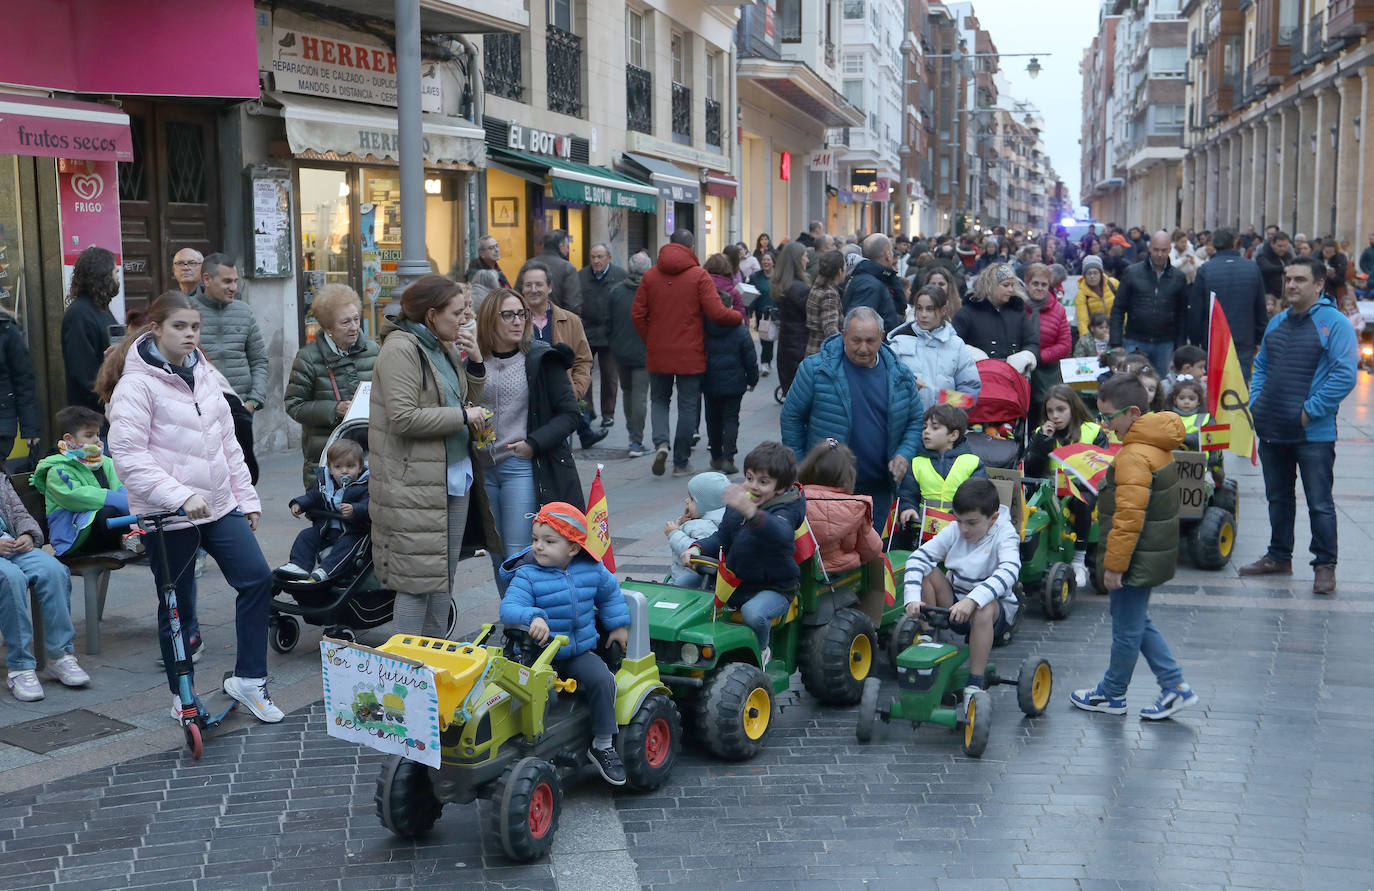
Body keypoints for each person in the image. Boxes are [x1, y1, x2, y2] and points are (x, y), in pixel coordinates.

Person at [100, 290, 281, 722]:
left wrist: (246, 496)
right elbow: (128, 457)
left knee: (257, 580)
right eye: (180, 326)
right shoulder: (136, 384)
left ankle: (250, 680)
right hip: (169, 515)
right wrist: (180, 496)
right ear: (156, 329)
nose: (189, 334)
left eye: (194, 327)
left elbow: (227, 443)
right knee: (178, 606)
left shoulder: (203, 372)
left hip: (219, 505)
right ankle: (183, 696)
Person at [1070, 374, 1198, 720]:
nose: (1104, 424)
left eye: (1109, 417)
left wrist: (1114, 566)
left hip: (1132, 558)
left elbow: (1129, 518)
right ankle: (1174, 686)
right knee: (1137, 621)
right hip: (1148, 555)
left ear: (1133, 412)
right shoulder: (1156, 444)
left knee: (1127, 628)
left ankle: (1113, 693)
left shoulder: (1133, 456)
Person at [369, 275, 487, 636]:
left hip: (452, 475)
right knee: (417, 582)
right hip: (415, 484)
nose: (463, 319)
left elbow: (463, 398)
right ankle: (405, 668)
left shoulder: (442, 345)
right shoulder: (401, 349)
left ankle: (435, 660)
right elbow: (403, 418)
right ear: (432, 314)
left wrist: (477, 361)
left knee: (442, 575)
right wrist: (464, 417)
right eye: (456, 312)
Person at [1239, 256, 1358, 595]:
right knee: (1278, 498)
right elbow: (1261, 365)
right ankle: (1279, 556)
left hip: (1313, 433)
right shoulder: (1277, 322)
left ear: (1319, 284)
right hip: (1273, 427)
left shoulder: (1335, 324)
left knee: (1319, 501)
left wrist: (1309, 411)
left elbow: (1344, 375)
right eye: (1288, 279)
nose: (1291, 285)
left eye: (1300, 280)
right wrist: (1257, 401)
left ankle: (1324, 565)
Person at [498, 502, 631, 786]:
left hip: (578, 651)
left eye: (549, 541)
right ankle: (532, 745)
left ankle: (603, 744)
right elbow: (510, 606)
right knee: (537, 696)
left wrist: (618, 625)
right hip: (538, 656)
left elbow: (610, 594)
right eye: (535, 540)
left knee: (602, 680)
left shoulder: (591, 569)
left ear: (572, 548)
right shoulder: (527, 574)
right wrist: (532, 616)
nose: (538, 547)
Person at [474, 288, 584, 587]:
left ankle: (526, 622)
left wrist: (532, 444)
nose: (517, 321)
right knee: (496, 554)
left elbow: (571, 414)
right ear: (488, 320)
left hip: (519, 466)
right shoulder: (474, 360)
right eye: (508, 315)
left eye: (521, 314)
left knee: (517, 552)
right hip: (482, 469)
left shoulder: (540, 358)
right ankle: (513, 620)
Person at [782, 307, 923, 531]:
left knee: (872, 554)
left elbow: (915, 420)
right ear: (843, 335)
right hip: (826, 487)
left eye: (871, 340)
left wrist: (904, 454)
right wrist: (799, 468)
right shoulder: (816, 370)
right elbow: (791, 418)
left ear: (882, 337)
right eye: (856, 340)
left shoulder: (901, 374)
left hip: (879, 489)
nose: (863, 348)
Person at [679, 442, 807, 664]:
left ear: (780, 488)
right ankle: (686, 647)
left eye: (763, 482)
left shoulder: (786, 509)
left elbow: (780, 533)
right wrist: (696, 548)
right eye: (749, 478)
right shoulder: (740, 504)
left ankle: (759, 652)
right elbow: (722, 537)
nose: (753, 486)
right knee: (682, 584)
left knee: (753, 613)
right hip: (733, 580)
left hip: (773, 586)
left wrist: (753, 514)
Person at [632, 230, 743, 478]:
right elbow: (716, 312)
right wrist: (738, 316)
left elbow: (637, 314)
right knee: (688, 405)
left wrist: (651, 339)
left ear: (669, 245)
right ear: (691, 247)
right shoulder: (698, 276)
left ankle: (661, 443)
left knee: (659, 400)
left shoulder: (650, 276)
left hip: (658, 351)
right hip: (690, 352)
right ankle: (680, 462)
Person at [902, 478, 1019, 692]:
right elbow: (917, 559)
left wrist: (973, 600)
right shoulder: (956, 529)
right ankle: (928, 636)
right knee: (927, 570)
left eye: (971, 523)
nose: (963, 529)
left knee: (983, 609)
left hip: (994, 612)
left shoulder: (1005, 533)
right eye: (959, 520)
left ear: (992, 519)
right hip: (955, 605)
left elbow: (1010, 571)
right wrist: (912, 598)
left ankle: (975, 680)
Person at [0, 467, 90, 702]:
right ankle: (20, 667)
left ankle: (61, 656)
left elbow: (19, 513)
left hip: (11, 545)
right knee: (11, 579)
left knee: (54, 570)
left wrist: (28, 534)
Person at [284, 283, 379, 488]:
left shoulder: (374, 351)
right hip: (328, 456)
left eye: (356, 319)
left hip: (370, 454)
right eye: (345, 322)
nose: (354, 327)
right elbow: (293, 405)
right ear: (328, 328)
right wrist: (334, 409)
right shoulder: (308, 358)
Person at [1024, 385, 1111, 585]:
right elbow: (1031, 469)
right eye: (1050, 411)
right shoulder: (1041, 432)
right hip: (1049, 488)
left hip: (1083, 487)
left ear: (1072, 407)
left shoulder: (1092, 431)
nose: (1055, 416)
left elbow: (1101, 469)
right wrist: (1043, 441)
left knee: (1082, 504)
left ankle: (1079, 560)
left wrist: (1074, 484)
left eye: (1061, 410)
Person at [521, 260, 604, 451]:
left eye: (539, 284)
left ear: (549, 287)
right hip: (525, 408)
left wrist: (574, 392)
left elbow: (584, 360)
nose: (533, 289)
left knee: (560, 460)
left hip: (559, 408)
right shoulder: (514, 321)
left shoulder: (571, 321)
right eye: (528, 285)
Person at [32, 406, 130, 557]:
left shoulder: (105, 462)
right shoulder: (57, 470)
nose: (97, 440)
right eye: (89, 435)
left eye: (97, 434)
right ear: (68, 439)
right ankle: (131, 539)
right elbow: (76, 497)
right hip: (73, 537)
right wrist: (120, 500)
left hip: (100, 530)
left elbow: (120, 486)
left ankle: (134, 538)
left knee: (139, 511)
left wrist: (130, 502)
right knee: (108, 513)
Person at [277, 438, 369, 581]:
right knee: (306, 536)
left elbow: (369, 505)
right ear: (330, 469)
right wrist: (299, 504)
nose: (344, 471)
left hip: (352, 531)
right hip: (325, 528)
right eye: (338, 467)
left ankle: (325, 571)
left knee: (345, 547)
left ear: (360, 466)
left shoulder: (364, 485)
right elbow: (313, 496)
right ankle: (299, 565)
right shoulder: (325, 484)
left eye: (350, 466)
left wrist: (355, 509)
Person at [1187, 227, 1266, 381]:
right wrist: (1258, 338)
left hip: (1213, 339)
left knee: (1215, 385)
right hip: (1243, 338)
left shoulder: (1206, 270)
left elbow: (1197, 310)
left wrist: (1195, 340)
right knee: (1239, 386)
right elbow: (1259, 308)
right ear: (1237, 243)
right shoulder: (1252, 268)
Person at [895, 402, 988, 530]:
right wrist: (908, 508)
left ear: (953, 435)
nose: (926, 432)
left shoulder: (973, 463)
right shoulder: (916, 463)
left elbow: (977, 498)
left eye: (934, 427)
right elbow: (908, 494)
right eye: (924, 427)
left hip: (961, 530)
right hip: (922, 530)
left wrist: (955, 518)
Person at [1108, 230, 1189, 377]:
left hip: (1165, 343)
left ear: (1170, 250)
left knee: (1160, 385)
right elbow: (1118, 309)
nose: (1159, 254)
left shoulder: (1178, 278)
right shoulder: (1132, 273)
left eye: (1164, 250)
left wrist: (1180, 347)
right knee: (1131, 383)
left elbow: (1182, 315)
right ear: (1149, 248)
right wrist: (1116, 342)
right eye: (1156, 250)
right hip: (1135, 340)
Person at [798, 439, 884, 574]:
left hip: (800, 572)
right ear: (848, 475)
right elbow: (872, 549)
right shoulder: (856, 507)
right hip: (840, 572)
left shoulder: (794, 501)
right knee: (880, 561)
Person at [887, 284, 981, 403]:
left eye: (930, 309)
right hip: (908, 418)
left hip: (944, 420)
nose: (923, 315)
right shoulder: (900, 341)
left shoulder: (956, 345)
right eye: (919, 308)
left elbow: (970, 388)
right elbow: (886, 380)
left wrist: (947, 411)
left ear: (943, 310)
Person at [702, 287, 759, 476]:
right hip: (734, 383)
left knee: (713, 419)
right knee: (731, 419)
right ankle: (729, 457)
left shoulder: (704, 326)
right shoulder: (739, 328)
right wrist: (753, 379)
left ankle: (716, 455)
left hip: (710, 381)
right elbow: (749, 356)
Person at [61, 245, 121, 415]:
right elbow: (84, 374)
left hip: (106, 412)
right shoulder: (79, 314)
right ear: (103, 275)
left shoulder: (100, 308)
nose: (118, 278)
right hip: (92, 419)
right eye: (115, 272)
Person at [953, 264, 1040, 373]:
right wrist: (971, 353)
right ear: (991, 286)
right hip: (976, 380)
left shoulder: (1018, 312)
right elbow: (953, 343)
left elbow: (1032, 342)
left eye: (1012, 285)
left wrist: (1026, 355)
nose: (1011, 290)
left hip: (1013, 379)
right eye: (1006, 285)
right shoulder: (968, 312)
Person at [607, 251, 651, 458]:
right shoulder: (651, 292)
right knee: (640, 397)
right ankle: (637, 441)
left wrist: (614, 344)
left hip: (621, 351)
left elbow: (608, 322)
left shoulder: (616, 291)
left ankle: (632, 436)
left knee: (627, 392)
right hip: (645, 351)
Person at [578, 243, 626, 431]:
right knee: (585, 374)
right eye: (593, 257)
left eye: (600, 257)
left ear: (609, 258)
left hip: (609, 334)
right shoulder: (581, 276)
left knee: (609, 375)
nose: (596, 261)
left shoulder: (620, 275)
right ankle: (588, 410)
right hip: (587, 332)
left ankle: (609, 414)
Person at [1025, 262, 1072, 425]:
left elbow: (1065, 346)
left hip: (1048, 374)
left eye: (1044, 284)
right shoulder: (1016, 307)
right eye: (1035, 283)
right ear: (1027, 284)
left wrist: (1037, 357)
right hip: (1020, 371)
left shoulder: (1058, 309)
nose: (1039, 288)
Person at [664, 471, 729, 588]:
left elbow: (694, 551)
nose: (686, 500)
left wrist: (674, 534)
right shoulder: (709, 521)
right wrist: (683, 523)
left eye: (691, 498)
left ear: (706, 504)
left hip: (692, 583)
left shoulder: (703, 527)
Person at [842, 234, 905, 332]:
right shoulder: (869, 285)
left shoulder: (877, 278)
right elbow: (861, 327)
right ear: (888, 255)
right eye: (891, 251)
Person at [773, 241, 813, 394]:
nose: (807, 260)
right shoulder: (799, 289)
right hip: (800, 344)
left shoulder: (784, 285)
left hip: (788, 343)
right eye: (805, 256)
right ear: (797, 259)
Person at [804, 251, 845, 357]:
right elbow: (830, 328)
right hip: (823, 353)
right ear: (840, 271)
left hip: (812, 347)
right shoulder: (829, 293)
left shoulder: (818, 286)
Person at [531, 229, 581, 315]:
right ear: (561, 246)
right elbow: (573, 304)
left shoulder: (529, 265)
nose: (568, 250)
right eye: (567, 246)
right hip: (558, 323)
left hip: (531, 322)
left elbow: (518, 296)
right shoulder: (568, 268)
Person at [1075, 255, 1117, 338]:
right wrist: (1087, 342)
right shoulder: (1081, 294)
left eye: (1095, 272)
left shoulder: (1113, 284)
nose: (1092, 276)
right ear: (1084, 276)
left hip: (1118, 332)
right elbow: (1082, 321)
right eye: (1089, 273)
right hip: (1097, 337)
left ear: (1101, 274)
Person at [750, 250, 777, 375]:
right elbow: (749, 294)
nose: (766, 262)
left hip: (775, 313)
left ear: (773, 262)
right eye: (764, 260)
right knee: (765, 338)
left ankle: (766, 361)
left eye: (768, 260)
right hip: (762, 313)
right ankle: (766, 361)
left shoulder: (778, 277)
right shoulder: (755, 277)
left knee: (770, 338)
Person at [1255, 230, 1294, 300]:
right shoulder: (1263, 256)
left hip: (1286, 298)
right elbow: (1266, 268)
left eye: (1285, 246)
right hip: (1270, 299)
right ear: (1272, 244)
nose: (1283, 249)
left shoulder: (1288, 256)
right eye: (1280, 246)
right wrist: (1283, 269)